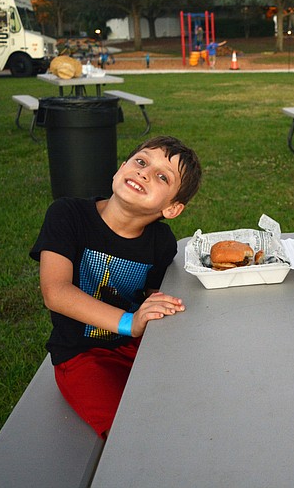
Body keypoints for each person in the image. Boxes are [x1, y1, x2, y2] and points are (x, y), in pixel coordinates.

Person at [30, 136, 202, 438]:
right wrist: (130, 322)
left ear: (173, 209)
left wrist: (160, 310)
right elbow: (55, 292)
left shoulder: (161, 242)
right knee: (130, 435)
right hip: (81, 356)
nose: (145, 173)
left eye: (162, 176)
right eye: (141, 161)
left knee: (189, 404)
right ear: (120, 169)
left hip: (135, 346)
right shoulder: (67, 214)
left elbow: (152, 295)